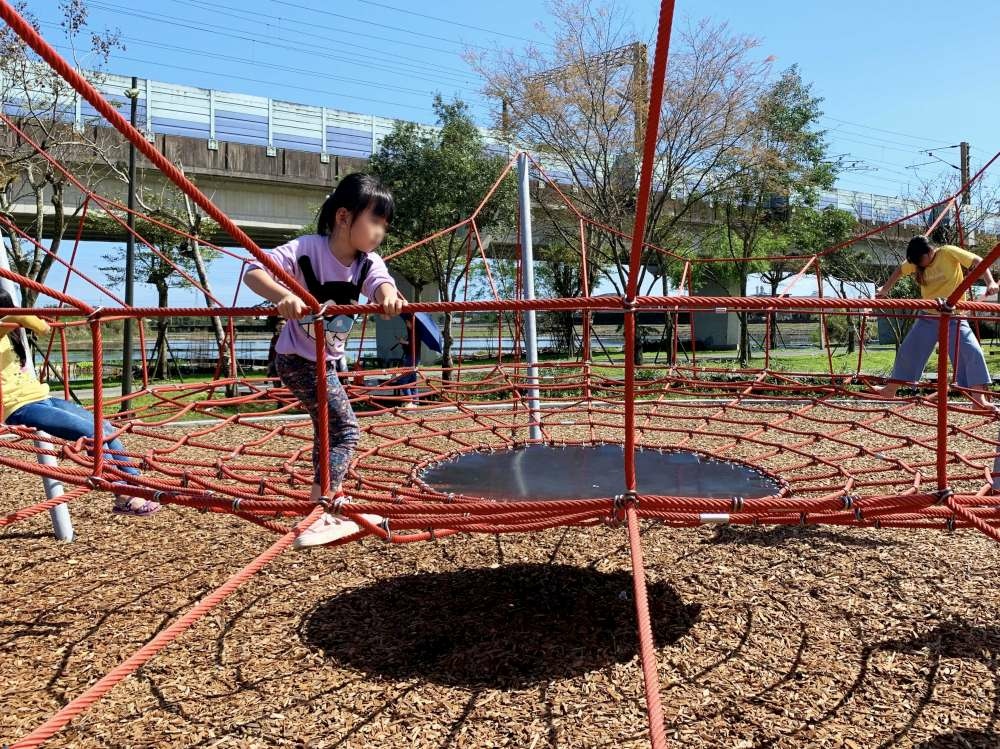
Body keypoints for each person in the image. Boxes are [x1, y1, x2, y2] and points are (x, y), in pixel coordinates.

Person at [244, 173, 403, 548]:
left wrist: (389, 296)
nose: (380, 232)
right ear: (343, 217)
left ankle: (320, 506)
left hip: (325, 361)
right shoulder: (306, 249)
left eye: (384, 225)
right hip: (296, 359)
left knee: (328, 428)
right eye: (374, 221)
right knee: (346, 429)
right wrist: (282, 294)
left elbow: (383, 282)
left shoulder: (366, 263)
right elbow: (253, 271)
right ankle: (326, 505)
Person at [0, 290, 158, 515]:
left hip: (41, 397)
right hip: (18, 408)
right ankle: (121, 494)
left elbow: (18, 320)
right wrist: (36, 323)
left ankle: (135, 484)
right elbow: (21, 319)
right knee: (90, 432)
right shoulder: (6, 326)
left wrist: (30, 321)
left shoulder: (11, 334)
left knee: (105, 427)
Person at [875, 236, 999, 411]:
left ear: (930, 251)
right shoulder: (918, 262)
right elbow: (900, 271)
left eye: (921, 260)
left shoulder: (948, 252)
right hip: (929, 317)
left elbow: (977, 261)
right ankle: (890, 390)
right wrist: (885, 288)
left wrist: (990, 282)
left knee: (973, 352)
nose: (920, 265)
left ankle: (979, 401)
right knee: (908, 350)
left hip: (954, 317)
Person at [390, 331, 419, 406]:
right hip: (410, 357)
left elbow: (413, 344)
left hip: (411, 358)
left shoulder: (415, 333)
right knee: (412, 381)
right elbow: (409, 345)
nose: (407, 323)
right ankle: (415, 402)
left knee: (403, 381)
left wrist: (403, 342)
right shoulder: (410, 333)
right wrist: (402, 342)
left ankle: (410, 401)